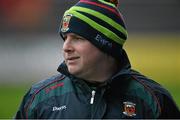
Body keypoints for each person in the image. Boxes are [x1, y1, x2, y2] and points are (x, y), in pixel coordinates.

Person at [15, 0, 180, 119]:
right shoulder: (39, 99)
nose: (66, 47)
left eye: (77, 38)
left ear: (105, 43)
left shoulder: (152, 100)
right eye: (65, 38)